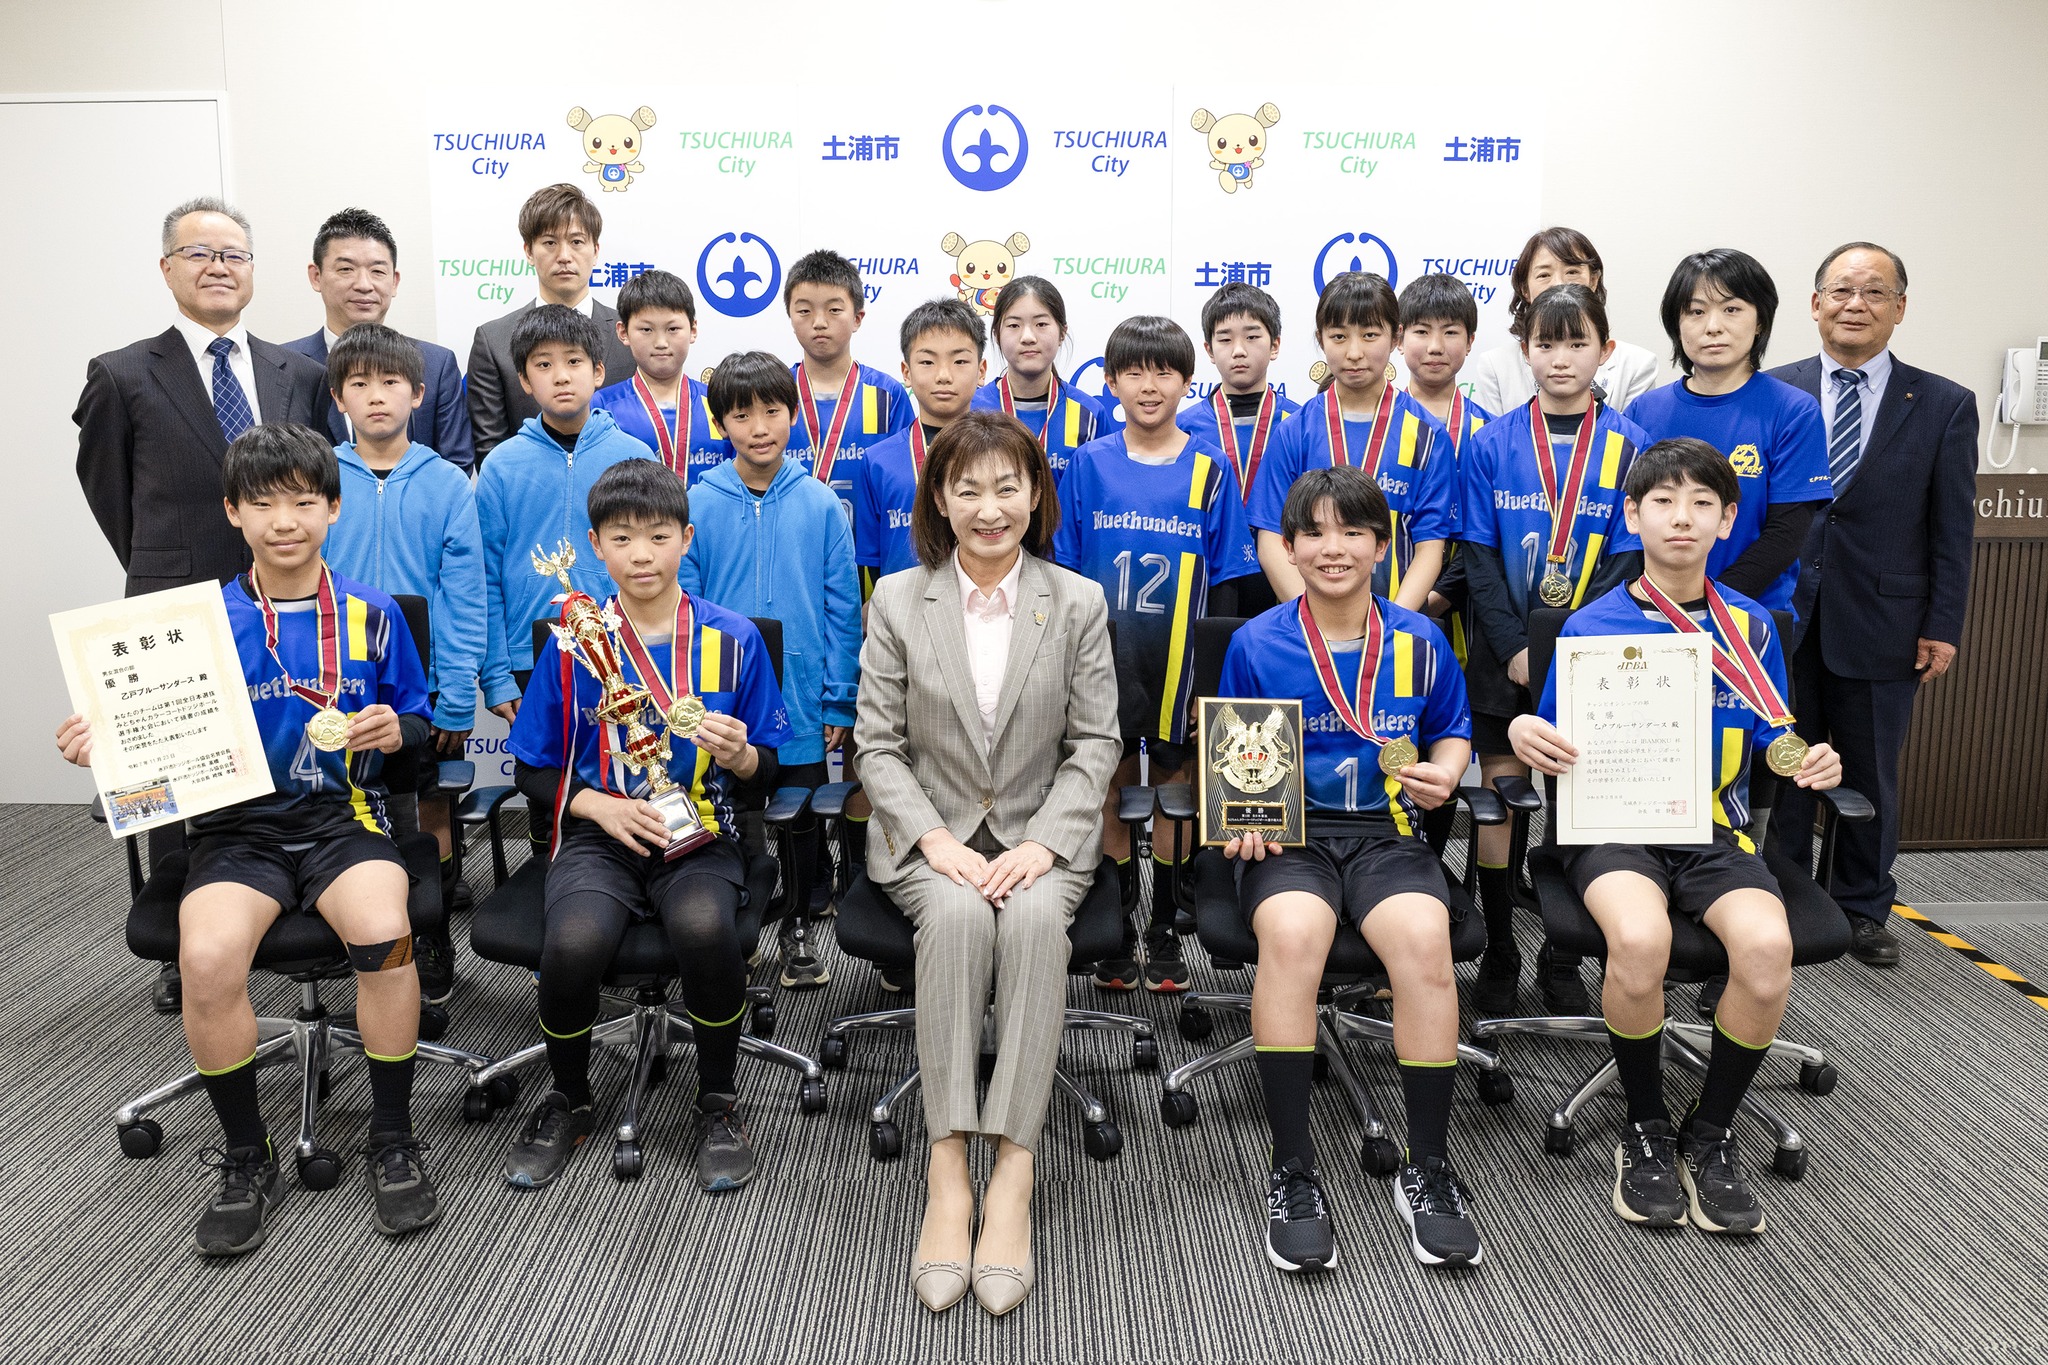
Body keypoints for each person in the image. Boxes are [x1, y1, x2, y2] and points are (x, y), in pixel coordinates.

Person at [58, 423, 439, 1254]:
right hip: (236, 831)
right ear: (233, 512)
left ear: (333, 507)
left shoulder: (375, 615)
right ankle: (245, 1152)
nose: (285, 520)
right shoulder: (194, 626)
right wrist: (104, 750)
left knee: (384, 936)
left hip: (345, 820)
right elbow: (151, 755)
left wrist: (395, 729)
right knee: (203, 958)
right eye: (263, 503)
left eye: (303, 501)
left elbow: (420, 722)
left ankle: (392, 1134)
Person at [1510, 436, 1844, 1235]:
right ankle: (1646, 1125)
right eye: (1663, 501)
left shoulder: (1751, 627)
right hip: (1615, 830)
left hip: (1714, 832)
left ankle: (1712, 1128)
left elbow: (1774, 736)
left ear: (1728, 519)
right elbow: (1552, 733)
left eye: (1702, 503)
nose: (1682, 517)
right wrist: (1524, 730)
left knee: (1767, 949)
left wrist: (1810, 757)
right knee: (1639, 938)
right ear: (1633, 516)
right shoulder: (1590, 624)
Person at [856, 410, 1119, 1316]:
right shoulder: (899, 600)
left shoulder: (1076, 601)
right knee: (961, 914)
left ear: (1036, 494)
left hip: (1043, 831)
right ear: (939, 498)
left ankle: (1013, 1171)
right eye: (967, 488)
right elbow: (877, 746)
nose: (989, 507)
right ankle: (947, 1171)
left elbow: (1097, 743)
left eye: (1008, 486)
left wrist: (1043, 841)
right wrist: (934, 839)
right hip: (929, 836)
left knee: (1037, 917)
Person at [1217, 465, 1486, 1272]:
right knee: (1293, 937)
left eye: (1353, 531)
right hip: (1291, 837)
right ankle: (1292, 1169)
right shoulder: (1256, 642)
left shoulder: (1420, 640)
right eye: (1314, 533)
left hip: (1388, 833)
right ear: (1288, 546)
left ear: (1380, 545)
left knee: (1425, 942)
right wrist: (1243, 818)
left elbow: (1453, 729)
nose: (1333, 548)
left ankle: (1427, 1165)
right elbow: (1232, 748)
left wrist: (1446, 770)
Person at [502, 459, 793, 1193]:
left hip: (701, 832)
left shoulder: (734, 640)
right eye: (622, 537)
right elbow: (531, 769)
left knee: (704, 927)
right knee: (573, 943)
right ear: (595, 545)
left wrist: (743, 755)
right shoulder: (574, 643)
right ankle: (569, 1096)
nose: (641, 554)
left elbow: (771, 773)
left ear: (686, 539)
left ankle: (718, 1102)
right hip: (602, 835)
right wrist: (595, 805)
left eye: (659, 536)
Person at [73, 194, 328, 1014]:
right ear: (167, 268)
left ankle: (284, 897)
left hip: (284, 593)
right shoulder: (122, 373)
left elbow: (310, 485)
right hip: (172, 605)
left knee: (281, 750)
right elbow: (109, 491)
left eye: (233, 254)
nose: (218, 267)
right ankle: (185, 944)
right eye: (199, 253)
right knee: (175, 783)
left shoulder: (300, 374)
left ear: (253, 270)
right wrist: (166, 565)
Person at [1766, 242, 1977, 969]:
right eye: (1841, 290)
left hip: (1886, 619)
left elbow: (1952, 528)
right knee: (1782, 763)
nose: (1856, 304)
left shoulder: (1944, 403)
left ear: (1900, 308)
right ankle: (1783, 895)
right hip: (1780, 618)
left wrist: (1942, 624)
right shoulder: (1775, 390)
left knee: (1870, 771)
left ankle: (1860, 908)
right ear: (1815, 303)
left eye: (1874, 292)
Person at [1052, 315, 1260, 994]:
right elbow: (1061, 571)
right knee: (1108, 787)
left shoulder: (1210, 467)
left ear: (1186, 380)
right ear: (1110, 382)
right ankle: (1116, 923)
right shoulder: (1087, 464)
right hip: (1101, 661)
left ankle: (1166, 924)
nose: (1149, 385)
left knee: (1176, 792)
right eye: (1134, 371)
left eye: (1164, 371)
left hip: (1179, 665)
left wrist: (1213, 685)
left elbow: (1227, 581)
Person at [1459, 283, 1649, 1015]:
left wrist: (1570, 651)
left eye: (1578, 343)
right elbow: (1477, 555)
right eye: (1546, 343)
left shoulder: (1632, 445)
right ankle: (1501, 946)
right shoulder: (1490, 442)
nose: (1561, 357)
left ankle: (1562, 952)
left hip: (1595, 658)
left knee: (1580, 802)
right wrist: (1515, 645)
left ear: (1606, 350)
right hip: (1501, 654)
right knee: (1501, 801)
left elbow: (1627, 561)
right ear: (1525, 351)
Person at [683, 351, 860, 988]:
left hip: (802, 695)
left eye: (772, 411)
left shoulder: (820, 504)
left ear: (793, 415)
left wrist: (839, 698)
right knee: (734, 813)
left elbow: (843, 609)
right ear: (719, 423)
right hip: (723, 701)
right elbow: (684, 605)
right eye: (741, 415)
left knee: (802, 815)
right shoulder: (697, 503)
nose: (759, 428)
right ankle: (744, 916)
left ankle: (801, 922)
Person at [321, 324, 486, 1002]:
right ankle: (356, 929)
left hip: (424, 689)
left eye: (390, 382)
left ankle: (431, 935)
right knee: (343, 806)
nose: (376, 396)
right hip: (335, 686)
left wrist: (456, 694)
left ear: (417, 393)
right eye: (358, 384)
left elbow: (465, 595)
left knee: (427, 808)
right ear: (338, 397)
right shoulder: (320, 477)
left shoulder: (447, 483)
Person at [1625, 249, 1831, 619]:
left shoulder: (1793, 411)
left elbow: (1785, 535)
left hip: (1751, 615)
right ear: (1676, 324)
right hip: (1652, 614)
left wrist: (1706, 606)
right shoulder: (1643, 412)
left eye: (1731, 309)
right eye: (1695, 311)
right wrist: (1662, 604)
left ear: (1760, 321)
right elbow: (1630, 523)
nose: (1713, 326)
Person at [476, 305, 652, 724]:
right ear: (524, 381)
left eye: (574, 361)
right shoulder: (501, 466)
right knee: (543, 765)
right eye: (543, 365)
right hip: (529, 653)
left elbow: (656, 564)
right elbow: (484, 576)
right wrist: (497, 675)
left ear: (598, 372)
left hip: (623, 647)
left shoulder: (635, 457)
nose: (561, 376)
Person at [1249, 273, 1455, 614]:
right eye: (1339, 336)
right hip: (1306, 631)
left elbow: (1430, 547)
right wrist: (1315, 621)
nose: (1354, 352)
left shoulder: (1429, 436)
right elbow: (1271, 540)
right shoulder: (1294, 432)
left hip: (1395, 626)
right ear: (1321, 338)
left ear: (1396, 337)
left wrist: (1391, 626)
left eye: (1370, 335)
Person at [284, 207, 473, 471]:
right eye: (346, 269)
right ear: (316, 277)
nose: (364, 284)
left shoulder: (437, 364)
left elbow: (456, 466)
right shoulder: (285, 366)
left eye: (377, 271)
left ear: (394, 281)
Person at [466, 184, 637, 463]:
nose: (564, 256)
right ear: (529, 251)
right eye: (549, 243)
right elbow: (491, 452)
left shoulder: (630, 334)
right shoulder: (493, 340)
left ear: (595, 250)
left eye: (577, 242)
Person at [1177, 280, 1301, 618]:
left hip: (1287, 573)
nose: (1239, 350)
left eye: (1252, 336)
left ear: (1275, 345)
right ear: (1208, 349)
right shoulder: (1183, 428)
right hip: (1209, 576)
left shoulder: (1300, 424)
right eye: (1225, 339)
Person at [859, 299, 990, 584]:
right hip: (902, 607)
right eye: (927, 362)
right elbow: (871, 563)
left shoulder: (1002, 454)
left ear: (981, 371)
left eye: (960, 361)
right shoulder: (878, 461)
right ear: (906, 372)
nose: (943, 376)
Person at [783, 249, 915, 525]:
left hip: (867, 548)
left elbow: (904, 483)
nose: (819, 323)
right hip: (787, 544)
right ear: (790, 318)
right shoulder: (774, 392)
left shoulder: (887, 395)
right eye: (804, 311)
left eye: (834, 310)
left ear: (857, 318)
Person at [1468, 227, 1660, 414]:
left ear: (1593, 280)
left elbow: (1627, 434)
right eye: (1544, 275)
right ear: (1525, 289)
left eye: (1572, 272)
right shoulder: (1495, 366)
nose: (1559, 284)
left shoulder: (1637, 365)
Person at [591, 269, 729, 486]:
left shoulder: (718, 402)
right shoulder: (602, 406)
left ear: (693, 329)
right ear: (623, 332)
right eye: (646, 330)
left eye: (673, 328)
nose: (661, 343)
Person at [971, 276, 1115, 484]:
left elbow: (1099, 491)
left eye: (1041, 324)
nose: (1028, 337)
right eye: (1014, 325)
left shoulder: (1090, 414)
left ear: (1062, 333)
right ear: (996, 335)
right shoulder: (972, 409)